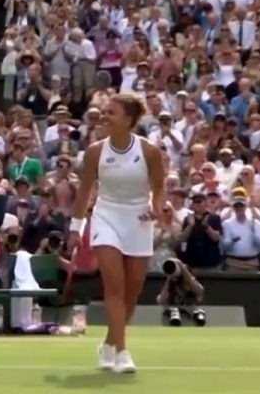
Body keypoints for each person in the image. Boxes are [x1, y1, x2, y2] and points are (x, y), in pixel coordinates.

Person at [68, 93, 165, 373]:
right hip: (106, 216)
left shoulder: (149, 152)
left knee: (132, 293)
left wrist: (155, 207)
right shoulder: (96, 151)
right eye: (104, 112)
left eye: (111, 113)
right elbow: (85, 191)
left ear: (129, 120)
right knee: (115, 286)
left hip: (137, 220)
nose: (104, 117)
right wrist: (76, 228)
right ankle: (122, 352)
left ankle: (110, 342)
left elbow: (159, 189)